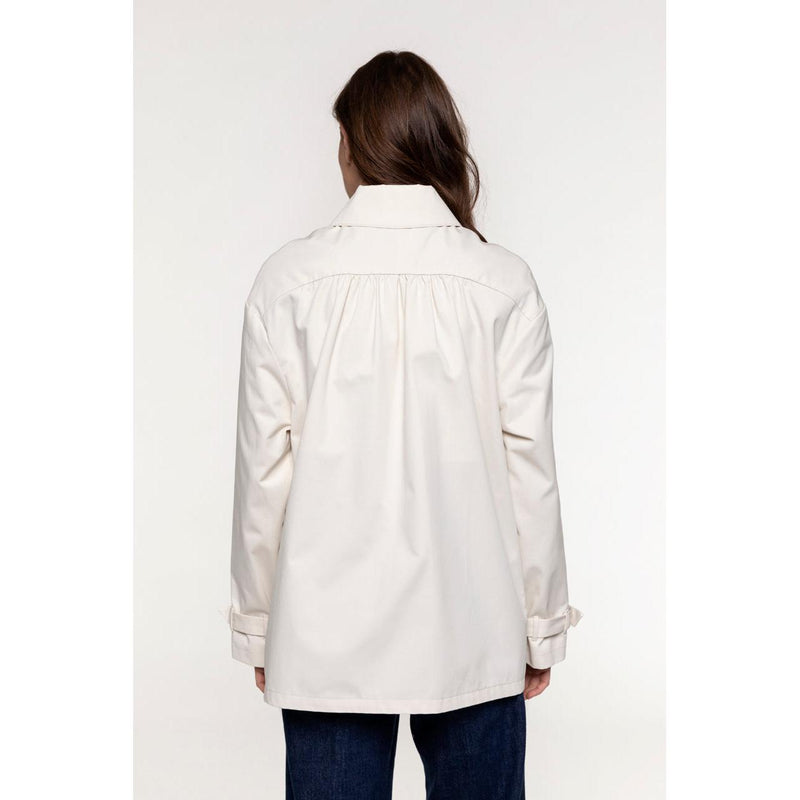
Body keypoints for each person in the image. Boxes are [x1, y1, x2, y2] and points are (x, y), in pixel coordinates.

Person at [227, 50, 582, 800]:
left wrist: (259, 623)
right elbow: (531, 471)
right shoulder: (501, 282)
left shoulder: (288, 283)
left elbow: (263, 475)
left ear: (352, 145)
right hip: (474, 621)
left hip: (325, 635)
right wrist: (542, 622)